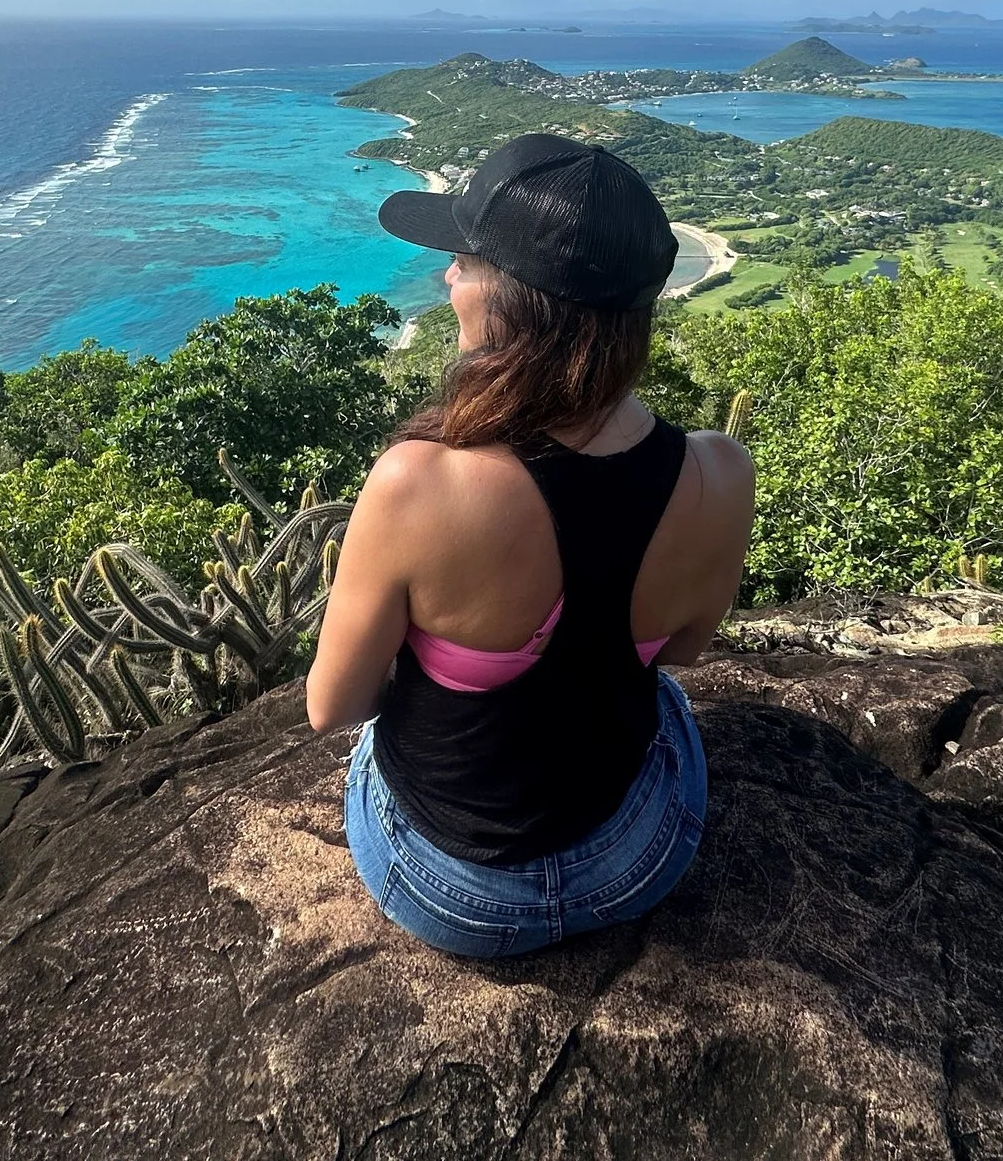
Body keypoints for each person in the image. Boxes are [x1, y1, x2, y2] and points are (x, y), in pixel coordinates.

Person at [307, 133, 755, 958]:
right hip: (637, 857)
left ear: (515, 300)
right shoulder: (720, 471)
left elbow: (333, 707)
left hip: (454, 893)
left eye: (466, 261)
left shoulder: (417, 482)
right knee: (668, 705)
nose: (448, 276)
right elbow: (683, 651)